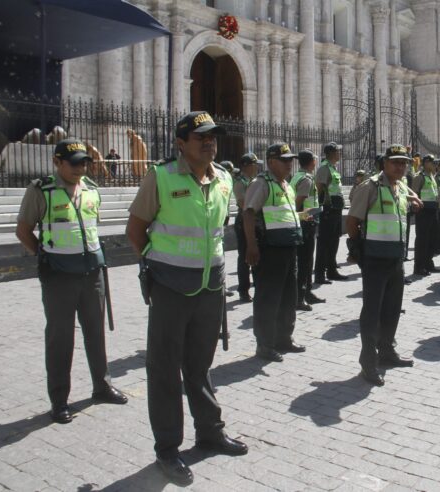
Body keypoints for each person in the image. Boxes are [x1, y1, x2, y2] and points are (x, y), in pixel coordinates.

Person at [125, 111, 247, 486]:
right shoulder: (160, 177)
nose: (209, 143)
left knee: (200, 366)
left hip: (211, 288)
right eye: (201, 138)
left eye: (213, 137)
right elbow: (135, 229)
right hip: (170, 288)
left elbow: (217, 231)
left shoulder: (224, 178)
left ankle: (209, 431)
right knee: (164, 369)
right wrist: (159, 266)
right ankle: (167, 448)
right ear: (181, 144)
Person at [16, 138, 127, 425]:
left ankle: (102, 386)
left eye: (84, 162)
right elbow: (23, 230)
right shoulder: (41, 190)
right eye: (75, 163)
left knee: (95, 332)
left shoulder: (92, 190)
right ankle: (59, 399)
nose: (81, 168)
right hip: (59, 276)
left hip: (92, 272)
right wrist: (43, 255)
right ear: (57, 162)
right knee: (60, 338)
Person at [346, 144, 421, 386]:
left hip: (396, 258)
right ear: (384, 164)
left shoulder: (399, 187)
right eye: (396, 162)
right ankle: (368, 362)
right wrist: (358, 249)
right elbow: (352, 221)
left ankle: (387, 351)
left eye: (404, 163)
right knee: (372, 311)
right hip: (375, 259)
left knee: (392, 309)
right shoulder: (370, 187)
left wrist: (415, 199)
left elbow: (408, 202)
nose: (401, 166)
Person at [243, 143, 305, 362]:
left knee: (289, 297)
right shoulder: (261, 183)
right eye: (285, 160)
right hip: (269, 251)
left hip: (288, 248)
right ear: (271, 162)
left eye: (291, 160)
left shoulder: (286, 185)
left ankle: (284, 338)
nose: (290, 164)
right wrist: (251, 246)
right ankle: (265, 345)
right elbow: (248, 214)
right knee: (268, 299)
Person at [291, 149, 326, 311]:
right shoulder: (306, 179)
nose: (315, 162)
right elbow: (299, 202)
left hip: (306, 221)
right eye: (314, 160)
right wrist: (302, 216)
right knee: (304, 262)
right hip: (305, 223)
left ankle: (307, 293)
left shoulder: (298, 176)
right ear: (311, 162)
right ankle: (299, 297)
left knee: (306, 260)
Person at [314, 142, 347, 283]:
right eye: (337, 151)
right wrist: (321, 207)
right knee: (323, 243)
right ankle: (320, 274)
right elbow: (319, 189)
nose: (339, 154)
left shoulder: (333, 168)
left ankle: (332, 270)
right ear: (331, 153)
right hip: (328, 210)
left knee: (334, 241)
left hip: (336, 210)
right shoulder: (324, 168)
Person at [232, 153, 260, 302]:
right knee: (244, 257)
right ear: (246, 166)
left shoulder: (254, 180)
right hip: (243, 220)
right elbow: (243, 203)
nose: (256, 167)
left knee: (256, 254)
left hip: (255, 220)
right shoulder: (240, 182)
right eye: (254, 164)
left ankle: (258, 284)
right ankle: (243, 289)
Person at [411, 154, 439, 276]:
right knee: (422, 240)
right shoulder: (420, 177)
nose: (434, 165)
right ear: (426, 163)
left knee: (433, 239)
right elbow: (414, 194)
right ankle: (419, 266)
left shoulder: (432, 176)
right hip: (423, 211)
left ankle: (428, 263)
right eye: (432, 162)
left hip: (433, 210)